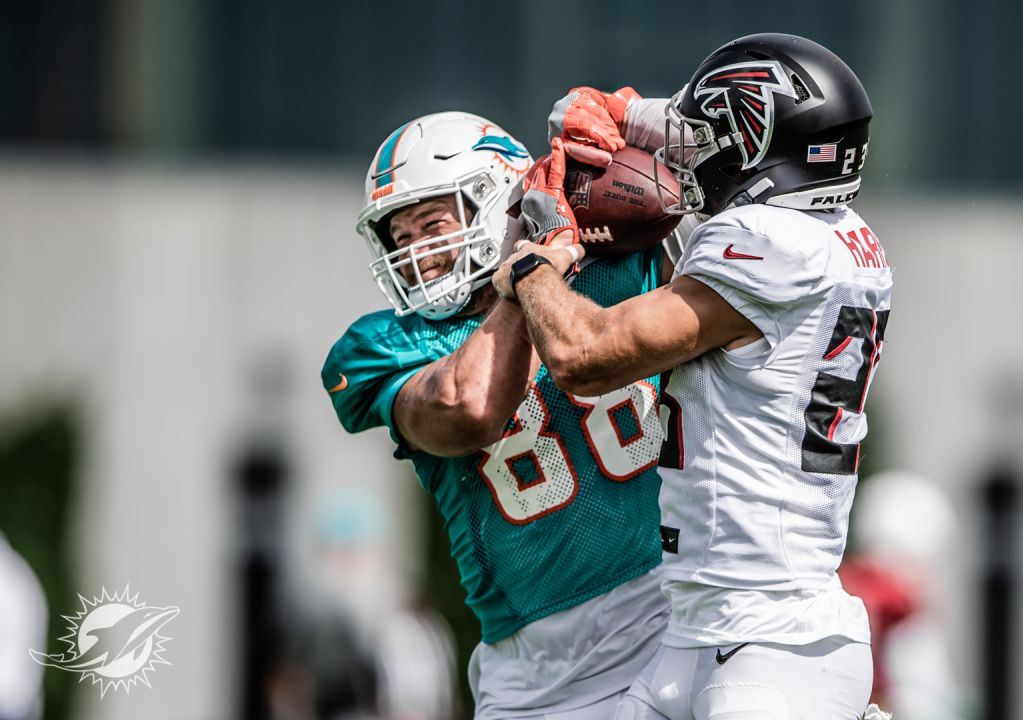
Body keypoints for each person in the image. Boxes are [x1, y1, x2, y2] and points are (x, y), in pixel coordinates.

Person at [497, 34, 890, 719]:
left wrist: (537, 257)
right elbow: (678, 123)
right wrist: (606, 109)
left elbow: (585, 356)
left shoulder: (769, 244)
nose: (693, 154)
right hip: (703, 631)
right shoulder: (836, 233)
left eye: (713, 137)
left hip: (772, 643)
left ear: (757, 141)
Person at [321, 111, 672, 719]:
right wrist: (531, 273)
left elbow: (736, 266)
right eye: (400, 238)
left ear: (500, 200)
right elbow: (467, 408)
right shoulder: (383, 346)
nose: (417, 255)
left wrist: (652, 132)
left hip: (672, 604)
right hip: (540, 670)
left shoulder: (619, 260)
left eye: (432, 223)